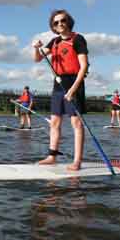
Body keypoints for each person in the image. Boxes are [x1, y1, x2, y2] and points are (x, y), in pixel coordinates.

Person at [33, 9, 88, 171]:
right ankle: (52, 156)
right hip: (58, 83)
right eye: (56, 23)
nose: (60, 24)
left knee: (75, 122)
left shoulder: (77, 39)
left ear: (68, 21)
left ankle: (77, 161)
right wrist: (36, 48)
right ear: (53, 27)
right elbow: (37, 59)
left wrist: (73, 90)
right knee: (55, 121)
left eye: (62, 20)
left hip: (73, 82)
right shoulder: (54, 41)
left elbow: (83, 67)